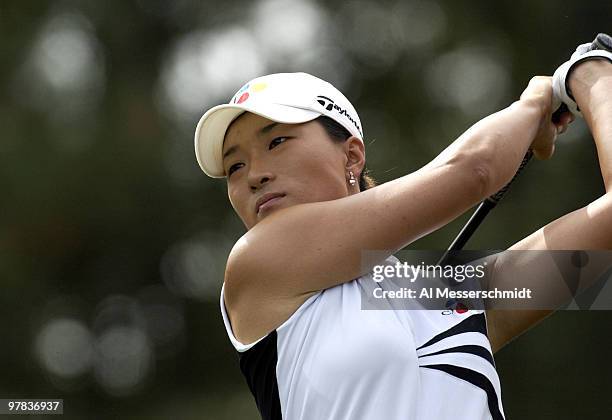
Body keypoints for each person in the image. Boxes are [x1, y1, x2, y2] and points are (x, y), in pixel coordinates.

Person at [193, 35, 612, 420]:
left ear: (351, 157)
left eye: (276, 142)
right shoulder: (258, 261)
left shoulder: (437, 294)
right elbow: (475, 170)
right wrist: (536, 102)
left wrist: (591, 77)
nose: (254, 175)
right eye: (235, 165)